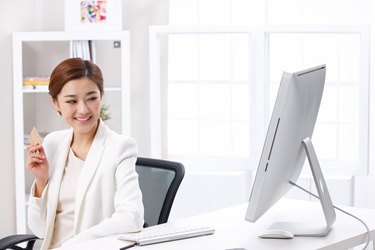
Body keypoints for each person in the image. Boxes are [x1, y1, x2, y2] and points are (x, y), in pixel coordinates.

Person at [26, 58, 144, 250]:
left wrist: (71, 246)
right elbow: (39, 230)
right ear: (55, 103)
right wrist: (41, 182)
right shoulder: (53, 143)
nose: (83, 109)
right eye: (72, 101)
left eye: (91, 98)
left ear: (101, 96)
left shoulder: (120, 147)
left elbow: (132, 218)